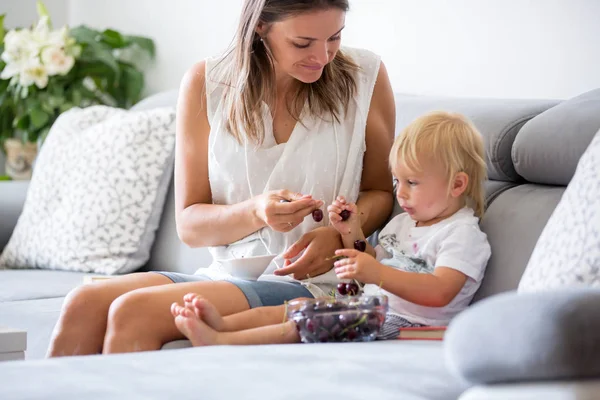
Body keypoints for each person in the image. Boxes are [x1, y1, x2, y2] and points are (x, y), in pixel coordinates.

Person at [47, 0, 395, 356]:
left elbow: (381, 191)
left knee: (133, 312)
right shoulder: (207, 83)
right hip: (227, 274)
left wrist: (339, 233)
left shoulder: (364, 76)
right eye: (302, 43)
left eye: (334, 37)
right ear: (260, 26)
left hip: (323, 286)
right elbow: (190, 225)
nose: (322, 57)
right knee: (84, 302)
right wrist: (256, 212)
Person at [170, 111, 492, 346]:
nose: (400, 193)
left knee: (308, 321)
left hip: (411, 325)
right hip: (371, 309)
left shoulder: (461, 234)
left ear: (457, 184)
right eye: (397, 181)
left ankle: (222, 342)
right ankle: (222, 325)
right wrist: (351, 230)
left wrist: (377, 275)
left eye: (413, 183)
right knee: (295, 308)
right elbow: (366, 260)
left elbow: (440, 291)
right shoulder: (406, 222)